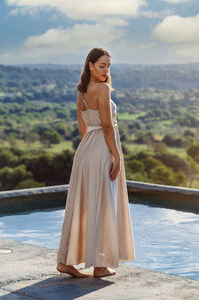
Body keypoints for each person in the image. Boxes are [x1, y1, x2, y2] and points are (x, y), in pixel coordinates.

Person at [56, 47, 135, 278]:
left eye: (108, 66)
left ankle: (65, 262)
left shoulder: (81, 90)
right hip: (102, 149)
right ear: (90, 65)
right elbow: (108, 125)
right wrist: (116, 155)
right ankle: (100, 265)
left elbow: (82, 126)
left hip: (86, 150)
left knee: (80, 206)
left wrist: (89, 149)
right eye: (102, 65)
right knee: (103, 204)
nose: (106, 70)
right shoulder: (103, 88)